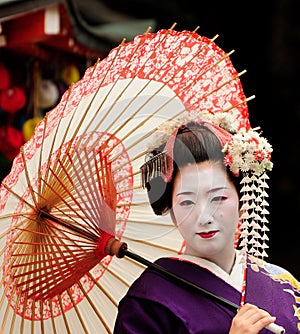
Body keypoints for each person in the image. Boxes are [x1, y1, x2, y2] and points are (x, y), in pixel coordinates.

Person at [113, 112, 300, 333]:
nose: (204, 216)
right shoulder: (149, 301)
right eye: (187, 202)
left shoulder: (285, 285)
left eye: (218, 198)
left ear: (243, 200)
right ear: (171, 211)